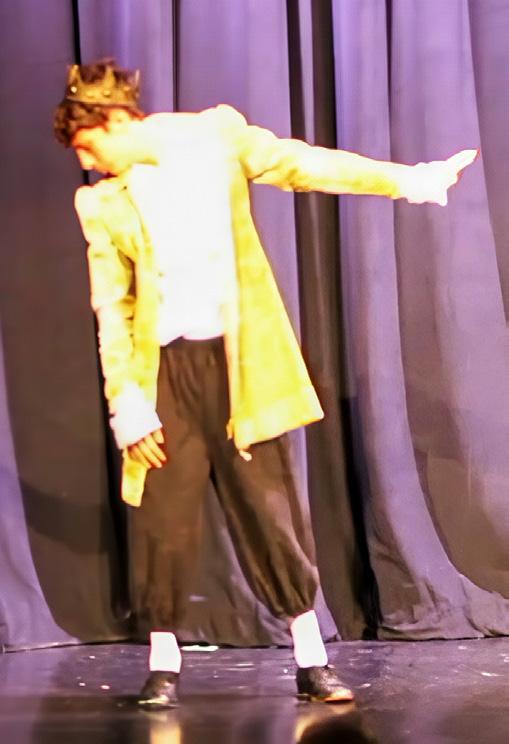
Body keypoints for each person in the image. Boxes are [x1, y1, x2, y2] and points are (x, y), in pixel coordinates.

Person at [54, 59, 476, 708]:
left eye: (89, 146)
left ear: (113, 121)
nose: (88, 163)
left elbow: (304, 164)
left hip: (240, 364)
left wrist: (409, 182)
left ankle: (311, 661)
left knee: (269, 509)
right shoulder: (103, 203)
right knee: (162, 518)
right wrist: (126, 403)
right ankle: (163, 666)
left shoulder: (215, 138)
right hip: (165, 373)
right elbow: (113, 308)